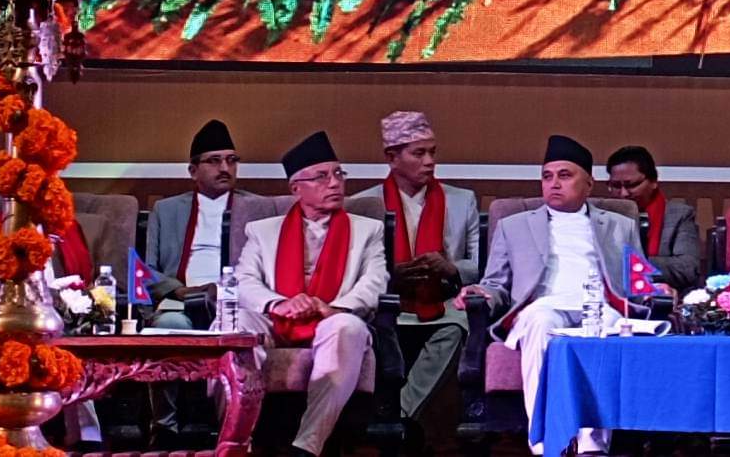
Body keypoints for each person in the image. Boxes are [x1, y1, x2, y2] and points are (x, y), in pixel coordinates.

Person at [454, 135, 638, 456]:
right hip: (542, 306)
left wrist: (656, 289)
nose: (554, 183)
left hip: (599, 306)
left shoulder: (619, 225)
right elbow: (496, 283)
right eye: (547, 176)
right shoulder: (514, 225)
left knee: (609, 328)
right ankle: (546, 443)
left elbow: (636, 279)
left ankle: (591, 447)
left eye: (564, 175)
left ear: (589, 184)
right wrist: (481, 291)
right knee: (540, 322)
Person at [235, 132, 389, 457]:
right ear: (296, 188)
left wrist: (333, 308)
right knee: (235, 324)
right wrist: (279, 303)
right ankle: (237, 441)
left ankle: (306, 446)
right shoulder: (262, 231)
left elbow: (375, 282)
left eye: (338, 174)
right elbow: (245, 281)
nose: (334, 183)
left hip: (331, 319)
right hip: (276, 320)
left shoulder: (367, 230)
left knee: (348, 326)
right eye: (321, 177)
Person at [350, 111, 480, 424]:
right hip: (385, 303)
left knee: (455, 327)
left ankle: (400, 416)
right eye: (418, 153)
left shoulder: (462, 200)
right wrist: (390, 275)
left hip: (443, 303)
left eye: (432, 152)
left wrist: (450, 268)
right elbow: (351, 269)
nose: (429, 162)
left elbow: (481, 265)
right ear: (392, 158)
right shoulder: (363, 204)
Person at [145, 120, 256, 327]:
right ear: (193, 171)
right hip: (181, 303)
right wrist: (179, 290)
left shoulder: (257, 208)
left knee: (243, 325)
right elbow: (146, 269)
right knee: (171, 323)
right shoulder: (166, 210)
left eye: (231, 160)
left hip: (240, 303)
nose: (225, 168)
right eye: (214, 161)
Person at [605, 145, 702, 288]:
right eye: (616, 186)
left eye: (631, 185)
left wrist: (629, 264)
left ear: (653, 181)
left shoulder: (679, 215)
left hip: (663, 293)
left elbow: (688, 268)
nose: (623, 193)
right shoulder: (601, 215)